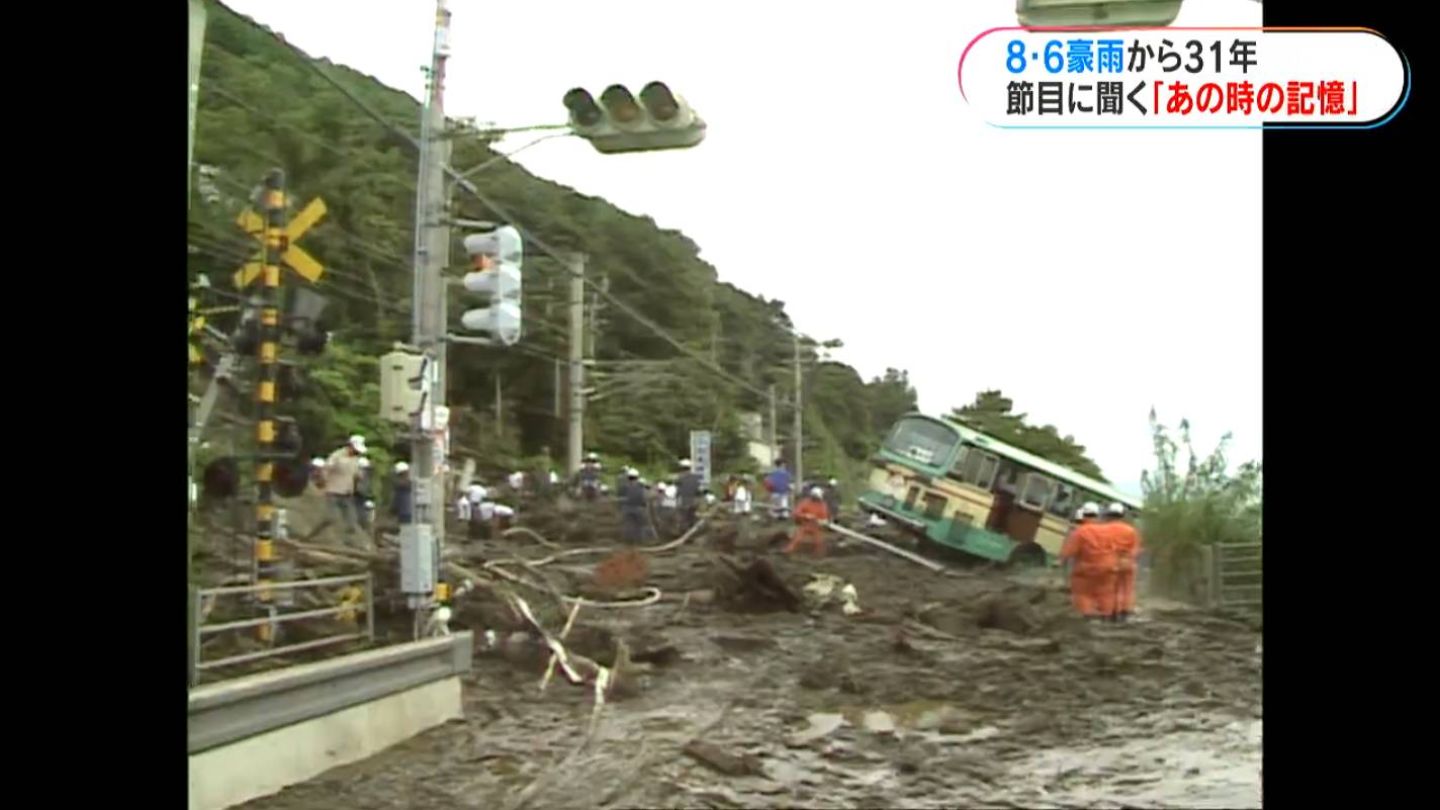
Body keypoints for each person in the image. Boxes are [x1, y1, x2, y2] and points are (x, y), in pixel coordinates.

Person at [1058, 502, 1114, 620]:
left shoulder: (1081, 531)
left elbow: (1069, 550)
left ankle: (1086, 617)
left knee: (1082, 593)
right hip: (1107, 568)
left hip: (1088, 569)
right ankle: (1107, 616)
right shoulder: (1107, 531)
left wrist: (1060, 561)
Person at [1101, 502, 1143, 623]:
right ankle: (1124, 613)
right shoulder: (1131, 531)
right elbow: (1136, 549)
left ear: (1109, 515)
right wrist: (1127, 558)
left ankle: (1110, 613)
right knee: (1127, 588)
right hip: (1127, 562)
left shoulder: (1103, 529)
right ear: (1122, 515)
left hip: (1109, 561)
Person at [324, 435, 366, 544]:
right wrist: (323, 481)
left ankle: (349, 540)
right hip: (333, 491)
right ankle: (330, 539)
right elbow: (326, 468)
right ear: (350, 446)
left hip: (347, 492)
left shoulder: (356, 459)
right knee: (333, 518)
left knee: (352, 520)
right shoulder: (337, 456)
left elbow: (357, 473)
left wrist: (360, 477)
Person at [785, 486, 830, 557]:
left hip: (816, 526)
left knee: (819, 542)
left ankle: (819, 555)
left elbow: (824, 516)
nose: (816, 498)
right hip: (805, 524)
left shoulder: (822, 505)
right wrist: (805, 515)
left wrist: (824, 520)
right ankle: (788, 551)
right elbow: (796, 512)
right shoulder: (805, 502)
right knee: (797, 539)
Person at [618, 468, 652, 544]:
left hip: (627, 508)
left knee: (628, 525)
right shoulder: (641, 486)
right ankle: (640, 542)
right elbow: (643, 498)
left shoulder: (624, 487)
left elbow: (620, 497)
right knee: (640, 526)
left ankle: (628, 541)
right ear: (637, 477)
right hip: (638, 509)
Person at [676, 459, 703, 532]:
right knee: (692, 518)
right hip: (694, 502)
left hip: (684, 502)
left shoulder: (680, 478)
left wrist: (677, 500)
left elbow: (678, 492)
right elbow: (699, 491)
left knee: (684, 519)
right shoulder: (695, 478)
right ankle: (693, 532)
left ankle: (684, 533)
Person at [391, 461, 414, 526]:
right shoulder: (412, 483)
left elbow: (396, 500)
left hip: (404, 513)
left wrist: (393, 509)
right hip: (411, 512)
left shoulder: (399, 485)